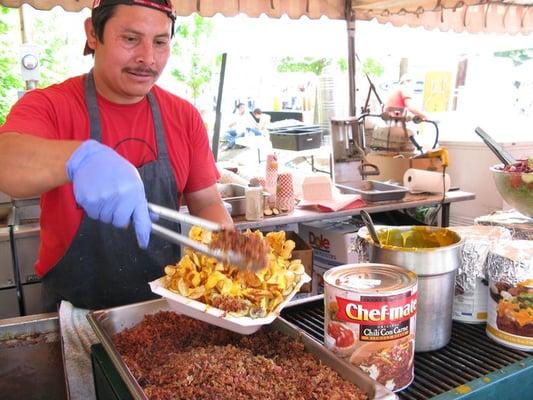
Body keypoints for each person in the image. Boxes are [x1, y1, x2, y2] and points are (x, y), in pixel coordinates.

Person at [0, 0, 233, 313]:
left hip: (167, 311)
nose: (147, 58)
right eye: (130, 39)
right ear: (93, 33)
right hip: (77, 315)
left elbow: (205, 202)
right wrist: (79, 158)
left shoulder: (184, 116)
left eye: (161, 42)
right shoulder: (50, 105)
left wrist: (228, 248)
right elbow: (6, 159)